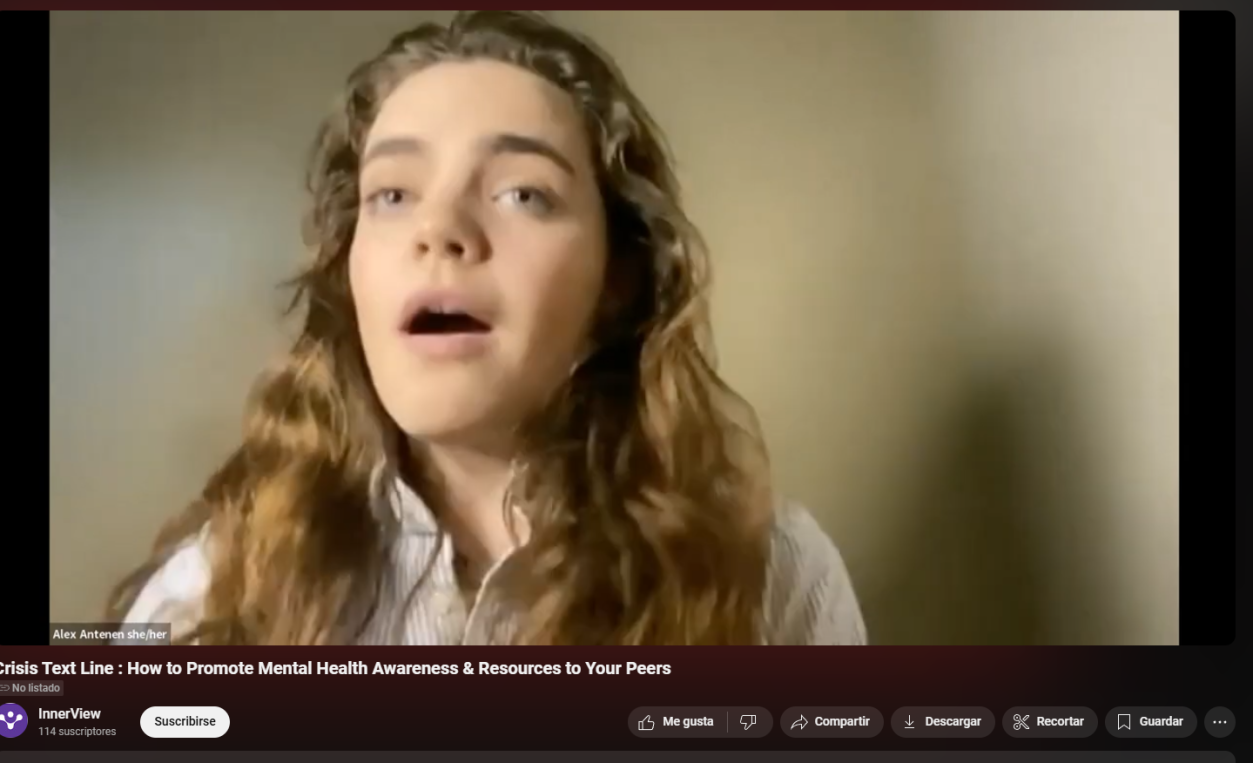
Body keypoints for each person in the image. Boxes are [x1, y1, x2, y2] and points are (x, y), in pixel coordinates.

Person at [108, 10, 866, 646]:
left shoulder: (771, 576)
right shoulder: (213, 593)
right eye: (393, 194)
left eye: (523, 194)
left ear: (617, 279)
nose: (438, 229)